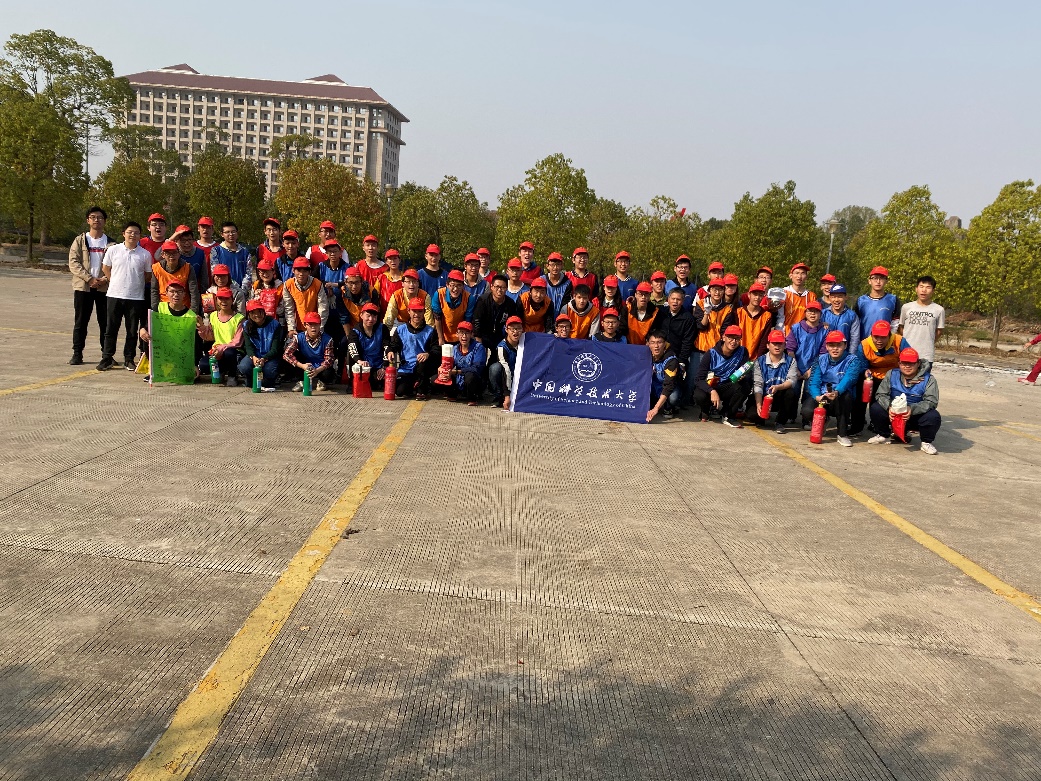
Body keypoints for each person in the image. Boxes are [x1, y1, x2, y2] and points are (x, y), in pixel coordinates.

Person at [98, 222, 153, 371]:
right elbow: (105, 268)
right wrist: (114, 280)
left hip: (136, 297)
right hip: (114, 295)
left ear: (140, 236)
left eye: (136, 233)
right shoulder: (113, 250)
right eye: (130, 232)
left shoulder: (145, 254)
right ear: (123, 233)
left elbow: (148, 275)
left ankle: (129, 359)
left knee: (132, 330)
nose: (132, 235)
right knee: (111, 328)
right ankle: (107, 358)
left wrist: (135, 283)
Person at [869, 347, 941, 454]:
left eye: (911, 363)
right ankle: (883, 434)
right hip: (894, 413)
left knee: (933, 416)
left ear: (918, 363)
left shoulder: (929, 379)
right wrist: (889, 407)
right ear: (899, 363)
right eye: (904, 363)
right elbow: (881, 394)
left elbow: (931, 401)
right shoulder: (891, 374)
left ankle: (926, 442)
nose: (907, 366)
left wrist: (912, 409)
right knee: (876, 407)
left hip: (914, 416)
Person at [804, 330, 865, 447]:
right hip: (823, 395)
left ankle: (842, 434)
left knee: (845, 398)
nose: (835, 349)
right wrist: (817, 397)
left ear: (845, 345)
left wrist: (836, 392)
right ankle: (824, 419)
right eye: (831, 345)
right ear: (827, 347)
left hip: (840, 395)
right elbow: (814, 382)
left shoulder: (853, 360)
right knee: (807, 411)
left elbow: (849, 379)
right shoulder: (820, 359)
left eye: (839, 345)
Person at [68, 206, 113, 364]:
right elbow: (73, 262)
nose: (96, 220)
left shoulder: (111, 243)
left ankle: (106, 355)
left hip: (104, 288)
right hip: (83, 287)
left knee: (105, 323)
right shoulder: (80, 240)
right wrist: (89, 279)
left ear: (104, 221)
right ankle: (77, 353)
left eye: (100, 217)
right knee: (81, 322)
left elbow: (116, 266)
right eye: (93, 217)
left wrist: (104, 279)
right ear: (88, 220)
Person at [852, 321, 910, 436]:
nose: (879, 340)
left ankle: (881, 425)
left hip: (894, 376)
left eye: (883, 337)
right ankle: (856, 426)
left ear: (889, 335)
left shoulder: (900, 341)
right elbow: (860, 364)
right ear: (871, 335)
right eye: (876, 337)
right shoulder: (864, 345)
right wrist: (864, 370)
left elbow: (910, 359)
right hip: (872, 375)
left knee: (883, 401)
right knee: (860, 395)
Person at [138, 278, 203, 379]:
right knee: (146, 335)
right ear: (166, 293)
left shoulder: (191, 315)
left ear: (184, 294)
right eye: (172, 291)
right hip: (163, 349)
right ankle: (155, 369)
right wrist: (142, 330)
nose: (175, 295)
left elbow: (196, 343)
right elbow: (147, 326)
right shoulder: (158, 308)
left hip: (180, 352)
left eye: (179, 292)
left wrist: (194, 364)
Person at [691, 324, 752, 427]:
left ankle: (728, 414)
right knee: (699, 395)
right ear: (724, 337)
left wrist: (744, 376)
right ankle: (706, 409)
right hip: (711, 385)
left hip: (728, 386)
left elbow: (746, 371)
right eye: (730, 338)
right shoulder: (711, 353)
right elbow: (698, 379)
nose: (733, 342)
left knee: (745, 385)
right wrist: (711, 390)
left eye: (737, 339)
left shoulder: (742, 351)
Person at [785, 300, 829, 424]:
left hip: (814, 367)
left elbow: (823, 353)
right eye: (810, 311)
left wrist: (811, 370)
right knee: (794, 391)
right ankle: (790, 415)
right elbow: (790, 349)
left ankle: (806, 419)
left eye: (816, 311)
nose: (812, 314)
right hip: (796, 365)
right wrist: (795, 368)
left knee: (809, 393)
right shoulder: (796, 328)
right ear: (805, 313)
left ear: (820, 314)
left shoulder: (825, 330)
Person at [389, 298, 438, 399]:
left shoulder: (430, 331)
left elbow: (436, 349)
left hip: (423, 367)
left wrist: (428, 354)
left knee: (423, 363)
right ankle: (415, 385)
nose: (417, 314)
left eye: (420, 311)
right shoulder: (400, 329)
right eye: (414, 311)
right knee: (400, 391)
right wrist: (390, 351)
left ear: (424, 312)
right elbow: (394, 345)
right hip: (406, 368)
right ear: (408, 311)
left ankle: (422, 390)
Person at [753, 329, 799, 433]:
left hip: (779, 396)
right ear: (768, 345)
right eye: (774, 343)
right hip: (764, 396)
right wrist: (759, 404)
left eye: (780, 343)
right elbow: (758, 385)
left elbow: (792, 381)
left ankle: (780, 422)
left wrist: (778, 387)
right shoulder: (759, 361)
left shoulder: (791, 361)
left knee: (791, 392)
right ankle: (761, 417)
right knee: (752, 415)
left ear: (785, 345)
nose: (777, 346)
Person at [344, 302, 393, 393]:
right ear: (361, 315)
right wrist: (359, 361)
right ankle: (352, 383)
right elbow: (352, 348)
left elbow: (387, 346)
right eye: (368, 316)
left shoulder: (383, 328)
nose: (371, 319)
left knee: (377, 382)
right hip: (363, 364)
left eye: (374, 316)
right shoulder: (355, 331)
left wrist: (384, 367)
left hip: (378, 365)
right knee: (350, 352)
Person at [898, 275, 945, 370]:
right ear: (916, 289)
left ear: (933, 290)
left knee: (923, 379)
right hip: (906, 351)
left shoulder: (939, 310)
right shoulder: (906, 307)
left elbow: (939, 331)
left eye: (928, 287)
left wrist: (928, 341)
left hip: (926, 354)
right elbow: (901, 327)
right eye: (921, 286)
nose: (924, 290)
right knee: (905, 378)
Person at [658, 289, 696, 405]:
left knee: (673, 398)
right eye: (673, 299)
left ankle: (676, 402)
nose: (675, 302)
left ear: (683, 301)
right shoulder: (660, 313)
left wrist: (682, 361)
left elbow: (687, 342)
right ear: (668, 299)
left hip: (676, 359)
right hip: (658, 356)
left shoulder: (688, 318)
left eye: (678, 299)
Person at [284, 311, 335, 392]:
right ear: (305, 325)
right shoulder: (298, 337)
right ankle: (301, 381)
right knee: (293, 357)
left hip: (320, 366)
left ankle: (322, 382)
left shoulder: (328, 339)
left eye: (316, 324)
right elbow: (286, 354)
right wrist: (302, 365)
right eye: (310, 324)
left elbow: (329, 359)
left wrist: (317, 370)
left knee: (328, 373)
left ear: (320, 325)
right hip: (305, 364)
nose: (313, 327)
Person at [239, 299, 285, 389]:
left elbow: (275, 348)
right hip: (255, 355)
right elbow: (248, 346)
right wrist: (253, 357)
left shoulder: (275, 324)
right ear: (249, 314)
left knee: (269, 371)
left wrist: (264, 358)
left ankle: (271, 379)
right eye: (253, 312)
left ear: (264, 311)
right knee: (244, 366)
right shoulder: (246, 326)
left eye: (259, 311)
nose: (256, 315)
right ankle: (250, 379)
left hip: (271, 355)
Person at [204, 288, 245, 385]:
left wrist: (221, 348)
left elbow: (237, 342)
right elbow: (209, 336)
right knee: (204, 365)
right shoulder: (213, 315)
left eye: (227, 299)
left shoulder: (239, 318)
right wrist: (201, 327)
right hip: (217, 349)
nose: (223, 301)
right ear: (216, 300)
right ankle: (221, 372)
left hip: (233, 350)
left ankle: (232, 375)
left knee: (229, 353)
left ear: (232, 300)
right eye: (220, 298)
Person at [283, 257, 329, 337]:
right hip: (297, 327)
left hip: (314, 326)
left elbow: (323, 308)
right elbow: (289, 308)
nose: (301, 274)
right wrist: (291, 328)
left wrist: (319, 328)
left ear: (309, 272)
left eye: (304, 270)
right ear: (293, 270)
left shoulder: (317, 284)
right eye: (298, 270)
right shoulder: (288, 284)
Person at [152, 240, 201, 314]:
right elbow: (154, 291)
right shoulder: (156, 268)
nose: (171, 256)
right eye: (168, 253)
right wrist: (155, 310)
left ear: (179, 253)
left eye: (174, 252)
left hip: (183, 307)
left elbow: (193, 291)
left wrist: (193, 312)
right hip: (163, 308)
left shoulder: (188, 268)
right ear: (163, 255)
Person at [472, 274, 521, 347]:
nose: (499, 290)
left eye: (503, 287)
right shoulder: (483, 300)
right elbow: (477, 321)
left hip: (501, 336)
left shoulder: (510, 304)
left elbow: (512, 323)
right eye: (497, 287)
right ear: (491, 287)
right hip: (483, 335)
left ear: (506, 288)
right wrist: (478, 340)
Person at [854, 266, 901, 338]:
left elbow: (895, 324)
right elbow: (855, 325)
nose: (878, 281)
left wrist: (890, 340)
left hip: (885, 342)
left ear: (886, 281)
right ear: (869, 281)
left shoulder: (893, 300)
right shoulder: (861, 301)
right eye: (875, 278)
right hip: (864, 341)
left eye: (881, 278)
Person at [694, 277, 736, 357]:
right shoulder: (701, 304)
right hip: (700, 347)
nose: (717, 292)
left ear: (724, 291)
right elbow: (701, 326)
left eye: (720, 290)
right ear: (709, 290)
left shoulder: (727, 309)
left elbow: (724, 332)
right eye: (714, 290)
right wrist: (706, 313)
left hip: (717, 349)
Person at [448, 321, 487, 405]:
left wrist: (457, 371)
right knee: (436, 378)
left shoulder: (479, 347)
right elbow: (449, 364)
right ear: (457, 334)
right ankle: (452, 394)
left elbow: (477, 368)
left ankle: (472, 398)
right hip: (460, 379)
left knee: (470, 375)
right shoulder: (454, 349)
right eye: (461, 333)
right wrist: (443, 368)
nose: (464, 336)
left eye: (467, 333)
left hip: (475, 380)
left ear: (472, 334)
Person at [646, 330, 681, 421]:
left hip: (667, 387)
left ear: (665, 344)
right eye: (652, 343)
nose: (656, 346)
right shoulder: (645, 356)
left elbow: (669, 385)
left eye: (659, 342)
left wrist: (656, 408)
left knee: (673, 398)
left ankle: (668, 407)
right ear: (648, 344)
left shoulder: (671, 360)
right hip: (652, 387)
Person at [488, 316, 522, 408]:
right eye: (512, 329)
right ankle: (499, 397)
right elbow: (506, 370)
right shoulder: (502, 347)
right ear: (506, 330)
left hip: (520, 377)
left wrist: (555, 337)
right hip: (506, 376)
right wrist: (507, 396)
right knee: (495, 368)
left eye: (518, 328)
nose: (515, 332)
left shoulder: (526, 342)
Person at [775, 262, 818, 333]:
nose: (799, 276)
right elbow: (780, 316)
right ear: (790, 276)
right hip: (787, 334)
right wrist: (780, 333)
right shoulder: (783, 293)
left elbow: (815, 318)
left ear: (806, 277)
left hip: (805, 334)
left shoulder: (811, 296)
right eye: (797, 273)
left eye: (802, 273)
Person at [433, 269, 473, 345]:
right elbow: (437, 317)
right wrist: (440, 338)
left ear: (463, 286)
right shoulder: (439, 294)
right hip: (442, 333)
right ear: (447, 285)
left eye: (459, 286)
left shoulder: (469, 298)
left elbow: (467, 320)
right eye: (452, 285)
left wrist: (463, 339)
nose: (455, 289)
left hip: (460, 335)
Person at [736, 282, 772, 359]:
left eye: (760, 295)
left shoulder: (767, 316)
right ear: (749, 295)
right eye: (755, 294)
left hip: (756, 358)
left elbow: (764, 340)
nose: (757, 297)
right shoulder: (738, 312)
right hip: (737, 356)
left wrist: (758, 359)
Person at [211, 222, 252, 288]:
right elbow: (215, 272)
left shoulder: (245, 252)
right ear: (222, 234)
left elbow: (249, 273)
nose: (231, 234)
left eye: (233, 232)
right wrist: (232, 287)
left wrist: (242, 290)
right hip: (223, 290)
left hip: (242, 291)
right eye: (227, 232)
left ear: (237, 233)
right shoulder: (216, 251)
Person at [169, 224, 209, 290]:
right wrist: (171, 239)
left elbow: (204, 277)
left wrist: (204, 292)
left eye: (189, 239)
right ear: (176, 241)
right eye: (183, 240)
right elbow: (158, 256)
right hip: (176, 291)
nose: (187, 243)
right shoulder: (172, 253)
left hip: (194, 291)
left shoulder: (200, 253)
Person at [248, 258, 285, 324]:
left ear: (273, 271)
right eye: (262, 271)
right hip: (258, 321)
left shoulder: (280, 286)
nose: (265, 274)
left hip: (276, 322)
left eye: (268, 271)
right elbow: (251, 305)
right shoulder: (256, 285)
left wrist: (270, 304)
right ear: (259, 273)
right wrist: (256, 298)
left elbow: (282, 309)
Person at [371, 248, 404, 317]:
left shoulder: (405, 278)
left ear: (399, 260)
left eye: (395, 258)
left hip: (402, 317)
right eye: (390, 259)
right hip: (384, 316)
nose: (393, 261)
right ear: (386, 261)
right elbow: (375, 295)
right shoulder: (381, 278)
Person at [542, 253, 573, 317]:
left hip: (561, 316)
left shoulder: (567, 283)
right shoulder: (542, 280)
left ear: (562, 266)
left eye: (558, 264)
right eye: (552, 265)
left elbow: (566, 303)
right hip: (543, 317)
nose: (555, 268)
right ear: (547, 266)